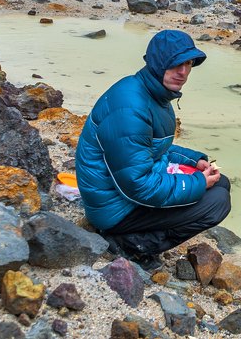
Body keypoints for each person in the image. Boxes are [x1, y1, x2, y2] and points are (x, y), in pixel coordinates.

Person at [75, 29, 230, 266]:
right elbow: (138, 186)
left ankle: (137, 237)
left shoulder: (153, 93)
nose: (183, 72)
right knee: (217, 202)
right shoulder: (131, 107)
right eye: (176, 64)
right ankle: (131, 244)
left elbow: (153, 149)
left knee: (221, 183)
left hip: (122, 194)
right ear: (158, 63)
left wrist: (193, 161)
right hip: (114, 208)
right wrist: (198, 183)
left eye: (188, 63)